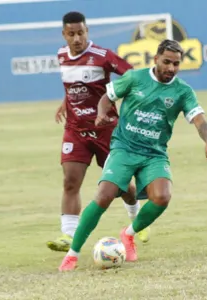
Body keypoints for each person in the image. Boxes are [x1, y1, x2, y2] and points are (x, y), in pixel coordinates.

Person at [58, 39, 207, 271]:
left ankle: (128, 233)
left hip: (154, 154)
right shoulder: (134, 78)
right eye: (166, 62)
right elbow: (107, 97)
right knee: (104, 195)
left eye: (176, 64)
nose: (171, 68)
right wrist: (101, 113)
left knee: (162, 197)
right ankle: (72, 254)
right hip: (124, 148)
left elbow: (199, 119)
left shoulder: (183, 91)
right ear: (156, 59)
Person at [47, 11, 151, 253]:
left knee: (120, 185)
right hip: (75, 130)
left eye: (80, 33)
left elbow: (133, 77)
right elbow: (73, 85)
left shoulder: (102, 56)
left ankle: (137, 220)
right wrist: (66, 102)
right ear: (64, 34)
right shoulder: (61, 55)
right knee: (70, 181)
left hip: (106, 130)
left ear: (87, 32)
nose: (76, 39)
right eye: (71, 34)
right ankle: (69, 236)